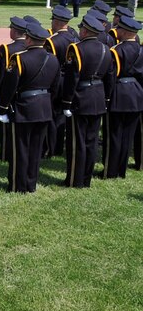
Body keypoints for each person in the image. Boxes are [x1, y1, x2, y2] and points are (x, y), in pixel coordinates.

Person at [0, 22, 61, 193]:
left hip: (25, 107)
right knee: (35, 149)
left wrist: (2, 107)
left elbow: (10, 86)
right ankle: (31, 184)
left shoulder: (19, 58)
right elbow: (55, 87)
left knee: (20, 148)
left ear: (29, 40)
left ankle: (18, 185)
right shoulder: (53, 59)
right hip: (44, 107)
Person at [61, 14, 112, 187]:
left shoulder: (76, 49)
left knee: (77, 142)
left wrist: (67, 101)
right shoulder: (107, 49)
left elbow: (72, 78)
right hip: (98, 97)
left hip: (80, 98)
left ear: (84, 31)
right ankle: (86, 178)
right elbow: (109, 77)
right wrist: (106, 97)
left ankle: (75, 179)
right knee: (91, 142)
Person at [103, 16, 143, 179]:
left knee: (114, 135)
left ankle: (110, 171)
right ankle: (122, 170)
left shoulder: (116, 51)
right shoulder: (141, 50)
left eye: (119, 29)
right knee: (127, 135)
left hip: (119, 93)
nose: (116, 31)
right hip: (137, 94)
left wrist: (106, 97)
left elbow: (111, 77)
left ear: (125, 32)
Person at [44, 5, 78, 157]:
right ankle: (58, 147)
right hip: (69, 81)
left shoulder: (52, 41)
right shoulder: (74, 37)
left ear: (57, 22)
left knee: (52, 115)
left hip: (56, 81)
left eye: (53, 21)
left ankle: (50, 148)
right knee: (62, 115)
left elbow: (48, 64)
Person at [0, 17, 28, 161]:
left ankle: (5, 154)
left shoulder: (7, 49)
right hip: (26, 93)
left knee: (5, 127)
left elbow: (0, 73)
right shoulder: (29, 47)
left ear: (14, 32)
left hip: (9, 91)